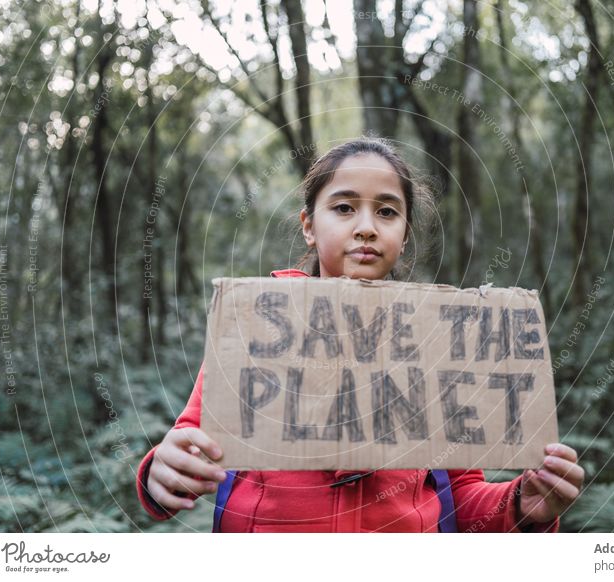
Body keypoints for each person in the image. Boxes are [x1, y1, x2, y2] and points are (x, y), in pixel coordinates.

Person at [136, 137, 584, 532]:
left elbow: (462, 502)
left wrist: (522, 505)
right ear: (309, 226)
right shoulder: (256, 324)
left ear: (405, 235)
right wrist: (161, 472)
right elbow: (189, 450)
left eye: (387, 212)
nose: (366, 226)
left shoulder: (439, 339)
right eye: (344, 207)